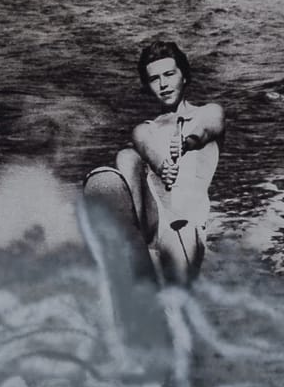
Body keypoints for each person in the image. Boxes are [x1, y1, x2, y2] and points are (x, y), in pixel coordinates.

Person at [84, 40, 224, 283]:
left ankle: (168, 294)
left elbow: (205, 130)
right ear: (148, 86)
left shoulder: (208, 112)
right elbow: (148, 148)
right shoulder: (144, 130)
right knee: (126, 157)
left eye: (169, 74)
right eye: (154, 79)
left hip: (186, 227)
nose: (163, 84)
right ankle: (131, 247)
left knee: (181, 255)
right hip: (151, 222)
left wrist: (186, 143)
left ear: (184, 76)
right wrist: (162, 166)